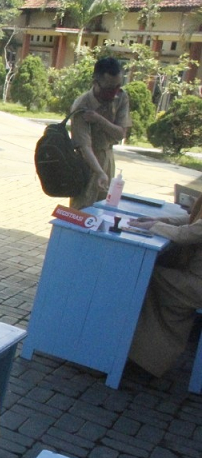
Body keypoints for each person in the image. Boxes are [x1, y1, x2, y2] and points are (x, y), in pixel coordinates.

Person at [127, 196, 202, 379]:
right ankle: (145, 355)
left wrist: (152, 226)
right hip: (194, 281)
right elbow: (193, 223)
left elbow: (186, 235)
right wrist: (161, 221)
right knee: (155, 274)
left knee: (144, 276)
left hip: (196, 285)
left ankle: (142, 356)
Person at [68, 56, 131, 210]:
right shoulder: (82, 105)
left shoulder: (121, 97)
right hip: (86, 163)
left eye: (118, 86)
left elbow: (120, 134)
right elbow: (84, 147)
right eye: (109, 88)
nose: (114, 93)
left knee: (104, 209)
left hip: (108, 158)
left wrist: (98, 119)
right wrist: (99, 172)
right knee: (82, 210)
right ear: (95, 83)